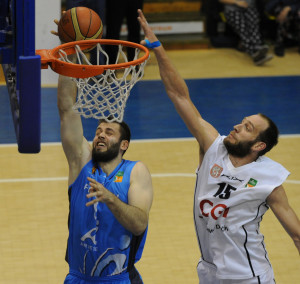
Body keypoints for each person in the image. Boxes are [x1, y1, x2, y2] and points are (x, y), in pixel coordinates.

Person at [137, 9, 300, 283]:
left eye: (247, 127)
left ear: (259, 145)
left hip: (249, 277)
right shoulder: (213, 146)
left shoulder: (270, 178)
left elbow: (296, 234)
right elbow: (179, 95)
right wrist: (158, 48)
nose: (237, 126)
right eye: (242, 121)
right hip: (209, 273)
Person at [57, 74, 153, 283]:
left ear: (124, 145)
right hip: (77, 277)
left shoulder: (135, 170)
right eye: (99, 130)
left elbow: (139, 225)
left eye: (109, 132)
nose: (100, 134)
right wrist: (69, 60)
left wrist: (110, 198)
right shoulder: (82, 164)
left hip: (119, 279)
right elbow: (66, 109)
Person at [217, 0, 273, 65]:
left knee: (254, 29)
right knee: (243, 30)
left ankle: (258, 51)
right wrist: (236, 2)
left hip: (250, 8)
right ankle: (256, 52)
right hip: (232, 10)